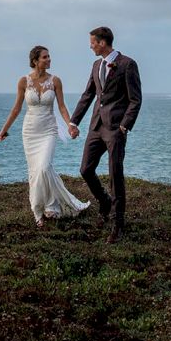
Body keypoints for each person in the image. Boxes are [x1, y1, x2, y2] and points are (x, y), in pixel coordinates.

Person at [0, 45, 90, 228]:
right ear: (35, 61)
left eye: (49, 56)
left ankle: (53, 205)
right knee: (35, 172)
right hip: (30, 131)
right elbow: (16, 109)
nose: (49, 60)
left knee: (44, 167)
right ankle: (39, 212)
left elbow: (62, 107)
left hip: (48, 130)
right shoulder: (23, 81)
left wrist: (71, 125)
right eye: (45, 57)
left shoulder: (55, 81)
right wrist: (3, 131)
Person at [70, 26, 142, 244]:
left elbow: (135, 100)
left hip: (115, 129)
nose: (90, 45)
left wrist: (124, 126)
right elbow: (88, 94)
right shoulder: (95, 65)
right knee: (85, 169)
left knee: (115, 175)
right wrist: (74, 121)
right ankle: (104, 202)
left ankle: (118, 225)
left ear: (102, 43)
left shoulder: (127, 64)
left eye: (92, 42)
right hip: (96, 126)